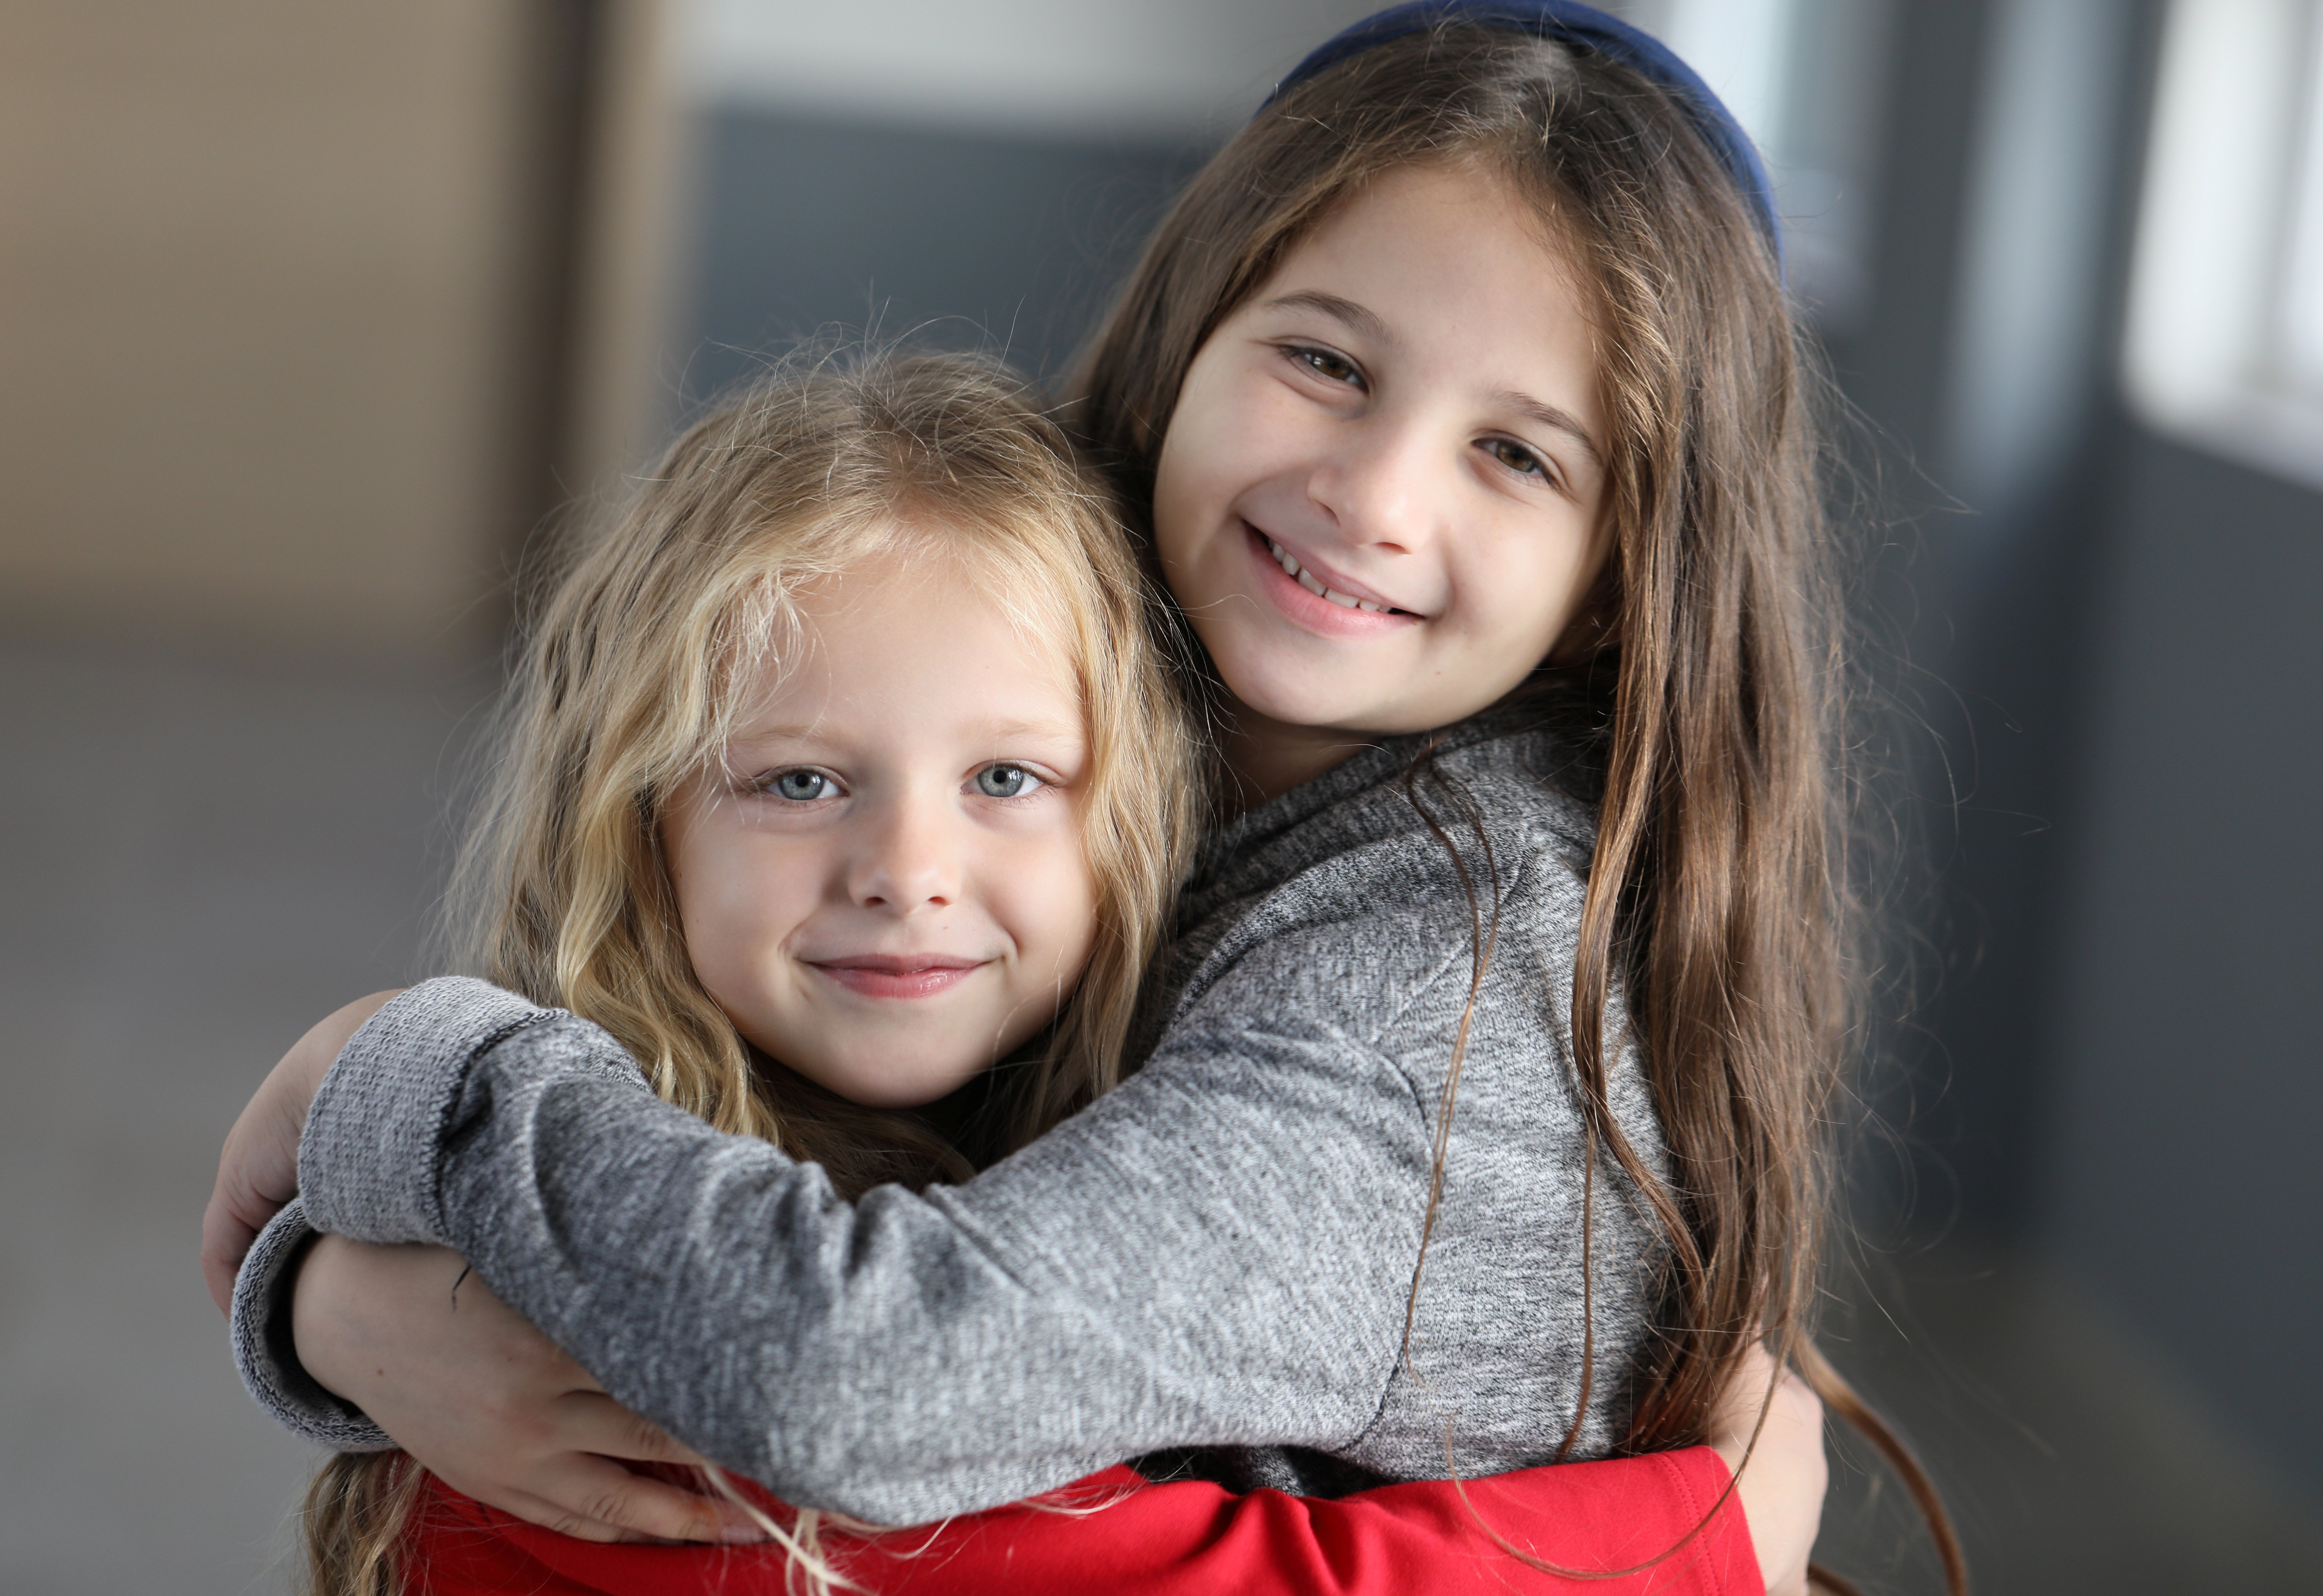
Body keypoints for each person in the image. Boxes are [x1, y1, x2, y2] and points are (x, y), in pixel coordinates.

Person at [212, 4, 1960, 1591]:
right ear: (1191, 334)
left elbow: (870, 1377)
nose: (1374, 493)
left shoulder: (1437, 982)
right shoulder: (1084, 657)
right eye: (1329, 361)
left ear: (1620, 571)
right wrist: (337, 1305)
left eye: (1516, 452)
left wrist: (411, 1077)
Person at [279, 351, 1797, 1596]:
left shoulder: (1084, 1136)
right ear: (636, 820)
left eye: (1008, 777)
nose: (910, 868)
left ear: (1132, 816)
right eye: (801, 781)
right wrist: (1690, 1544)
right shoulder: (646, 1311)